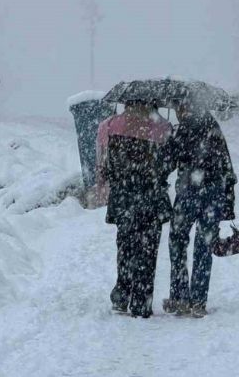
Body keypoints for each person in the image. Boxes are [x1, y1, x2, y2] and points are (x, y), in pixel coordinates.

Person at [95, 100, 172, 318]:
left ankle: (121, 296)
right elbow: (168, 163)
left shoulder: (109, 126)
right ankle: (141, 302)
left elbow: (102, 164)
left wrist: (107, 180)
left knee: (125, 247)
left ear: (126, 102)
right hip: (152, 198)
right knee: (148, 251)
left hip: (124, 197)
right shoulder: (163, 128)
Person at [162, 102, 236, 318]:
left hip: (189, 192)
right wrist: (228, 200)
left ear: (185, 107)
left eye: (178, 107)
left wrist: (168, 141)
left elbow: (168, 161)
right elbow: (226, 164)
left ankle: (180, 297)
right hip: (213, 193)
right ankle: (198, 302)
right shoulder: (213, 125)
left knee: (177, 241)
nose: (177, 112)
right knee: (204, 245)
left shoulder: (183, 129)